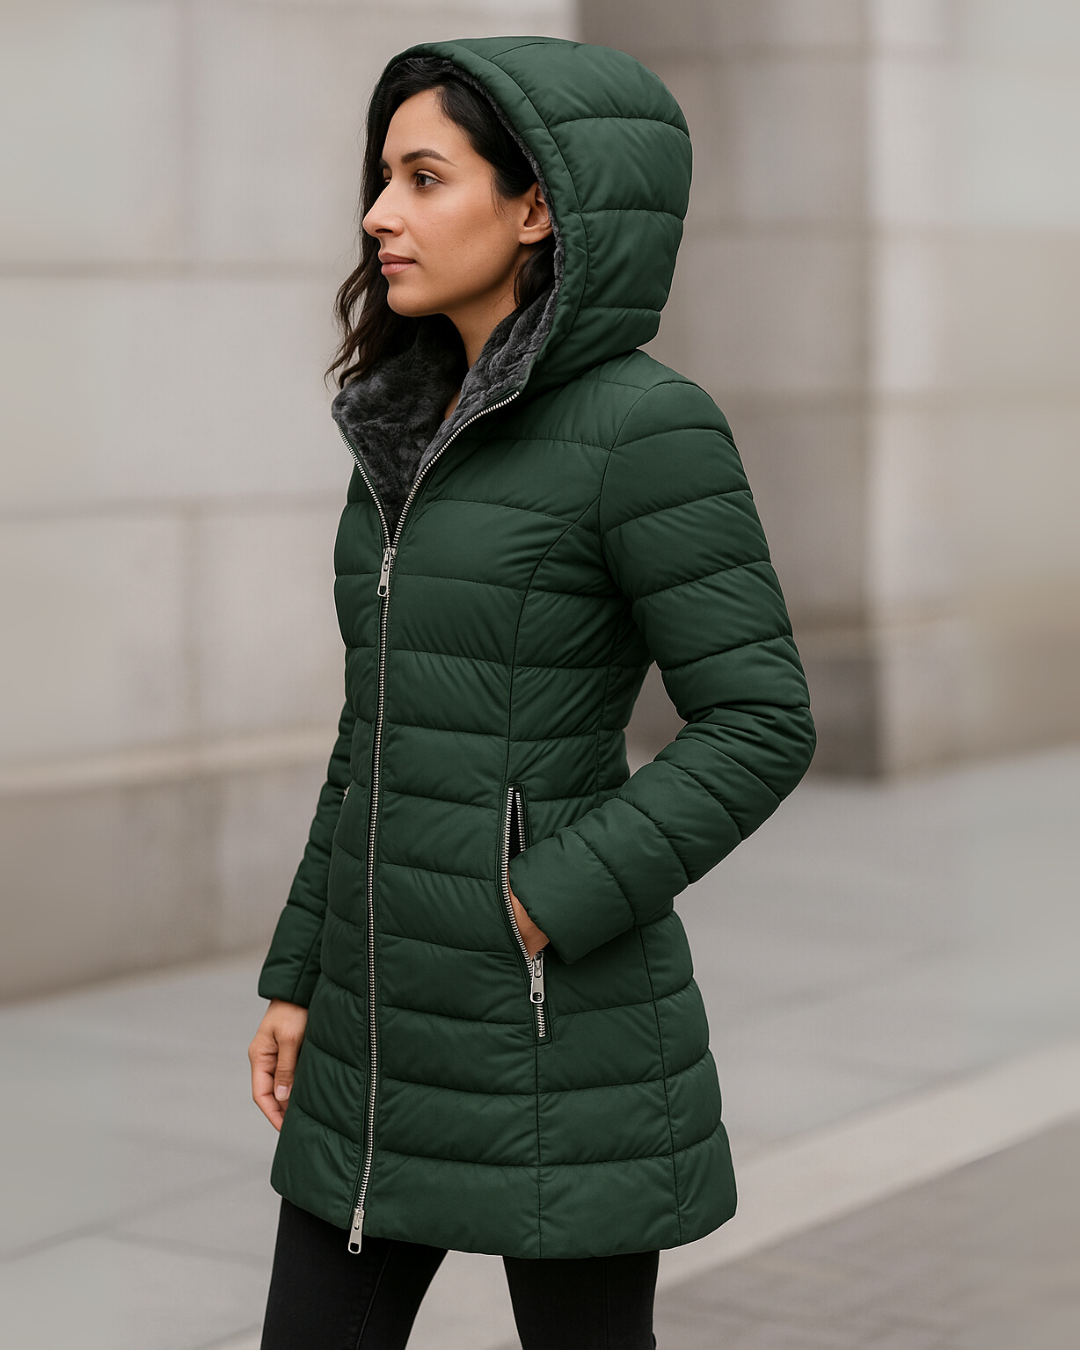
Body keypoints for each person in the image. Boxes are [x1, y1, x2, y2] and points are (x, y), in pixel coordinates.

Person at [249, 36, 816, 1350]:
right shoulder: (401, 426)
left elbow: (761, 717)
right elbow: (376, 735)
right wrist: (301, 971)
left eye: (424, 176)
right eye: (381, 177)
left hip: (559, 1031)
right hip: (379, 1030)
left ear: (536, 208)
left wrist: (544, 897)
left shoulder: (644, 427)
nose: (379, 214)